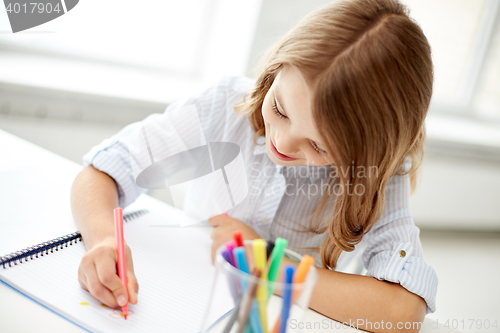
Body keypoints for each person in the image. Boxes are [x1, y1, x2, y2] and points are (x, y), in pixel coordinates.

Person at [71, 0, 438, 331]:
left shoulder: (375, 174)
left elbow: (402, 313)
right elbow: (103, 170)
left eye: (318, 145)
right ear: (276, 68)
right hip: (187, 297)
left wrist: (265, 263)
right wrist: (103, 239)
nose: (281, 141)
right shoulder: (223, 106)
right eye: (280, 108)